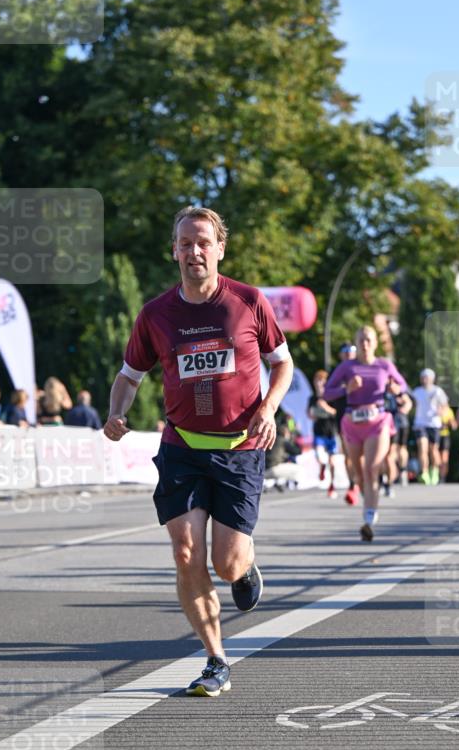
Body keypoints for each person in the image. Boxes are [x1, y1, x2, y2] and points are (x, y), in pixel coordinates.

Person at [104, 206, 292, 697]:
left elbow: (284, 365)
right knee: (186, 550)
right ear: (174, 251)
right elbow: (129, 375)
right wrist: (117, 412)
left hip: (241, 448)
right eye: (185, 243)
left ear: (220, 248)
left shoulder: (248, 302)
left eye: (203, 242)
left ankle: (245, 566)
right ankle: (215, 659)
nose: (194, 251)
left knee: (227, 563)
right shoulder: (156, 314)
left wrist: (269, 408)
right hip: (182, 446)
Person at [324, 325, 407, 542]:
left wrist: (397, 390)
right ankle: (368, 504)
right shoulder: (346, 367)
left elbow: (403, 386)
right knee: (358, 474)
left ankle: (369, 518)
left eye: (369, 340)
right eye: (361, 340)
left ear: (375, 343)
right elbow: (327, 393)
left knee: (371, 469)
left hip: (377, 421)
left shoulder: (384, 365)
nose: (365, 344)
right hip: (352, 422)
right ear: (356, 343)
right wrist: (346, 389)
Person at [328, 342, 361, 505]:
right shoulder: (336, 372)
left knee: (361, 455)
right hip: (343, 418)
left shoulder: (362, 368)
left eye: (352, 351)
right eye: (345, 351)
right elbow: (327, 394)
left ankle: (364, 481)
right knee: (348, 454)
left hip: (363, 417)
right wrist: (345, 390)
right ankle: (353, 485)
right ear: (341, 355)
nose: (349, 354)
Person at [411, 369, 448, 485]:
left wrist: (441, 411)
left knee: (433, 450)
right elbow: (411, 404)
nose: (424, 379)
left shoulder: (438, 391)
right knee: (422, 447)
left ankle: (434, 471)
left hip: (434, 424)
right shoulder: (417, 391)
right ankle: (424, 472)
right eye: (423, 377)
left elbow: (445, 406)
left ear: (432, 379)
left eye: (427, 377)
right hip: (420, 424)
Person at [307, 369, 338, 498]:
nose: (319, 383)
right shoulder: (312, 398)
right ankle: (322, 467)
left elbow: (336, 412)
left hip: (331, 432)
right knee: (320, 457)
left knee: (332, 462)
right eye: (317, 380)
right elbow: (309, 414)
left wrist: (325, 407)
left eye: (322, 380)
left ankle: (332, 485)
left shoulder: (331, 396)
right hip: (319, 432)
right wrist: (313, 413)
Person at [383, 383, 413, 491]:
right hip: (390, 423)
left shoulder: (397, 388)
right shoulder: (383, 387)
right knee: (394, 450)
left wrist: (404, 408)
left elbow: (408, 402)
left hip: (398, 423)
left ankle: (400, 472)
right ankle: (397, 472)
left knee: (396, 449)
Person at [264, 421, 301, 490]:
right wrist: (297, 442)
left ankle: (276, 482)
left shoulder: (270, 439)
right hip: (273, 469)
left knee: (285, 462)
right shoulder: (283, 440)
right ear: (284, 433)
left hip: (265, 469)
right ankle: (286, 483)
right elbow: (296, 451)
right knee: (299, 469)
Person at [438, 403, 457, 483]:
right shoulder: (434, 408)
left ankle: (442, 477)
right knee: (435, 456)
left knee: (444, 458)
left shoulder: (449, 411)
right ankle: (436, 475)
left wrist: (450, 422)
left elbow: (454, 426)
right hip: (435, 435)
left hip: (445, 435)